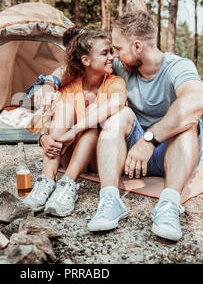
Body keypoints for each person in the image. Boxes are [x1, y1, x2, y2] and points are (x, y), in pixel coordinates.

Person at [36, 11, 203, 241]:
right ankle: (110, 200)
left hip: (171, 152)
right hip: (133, 154)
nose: (114, 56)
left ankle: (168, 205)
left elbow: (195, 102)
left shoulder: (177, 67)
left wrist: (150, 140)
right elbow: (78, 66)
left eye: (118, 49)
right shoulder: (123, 67)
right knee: (121, 113)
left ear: (137, 46)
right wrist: (50, 82)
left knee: (188, 123)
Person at [22, 26, 127, 218]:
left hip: (96, 157)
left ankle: (68, 184)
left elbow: (119, 101)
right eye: (105, 53)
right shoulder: (69, 86)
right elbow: (48, 116)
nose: (112, 57)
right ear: (85, 60)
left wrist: (75, 130)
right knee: (64, 107)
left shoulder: (114, 82)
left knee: (94, 125)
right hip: (66, 153)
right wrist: (44, 135)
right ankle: (46, 181)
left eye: (110, 51)